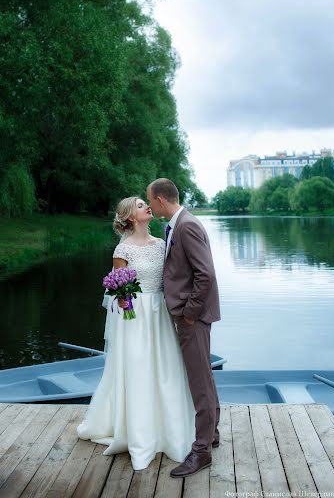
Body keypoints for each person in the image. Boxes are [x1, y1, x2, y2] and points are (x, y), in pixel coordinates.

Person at [76, 196, 196, 471]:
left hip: (160, 313)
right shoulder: (123, 249)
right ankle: (139, 433)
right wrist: (127, 308)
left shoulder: (162, 244)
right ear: (130, 216)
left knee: (165, 368)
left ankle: (170, 430)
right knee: (139, 368)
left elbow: (172, 277)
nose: (147, 207)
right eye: (141, 205)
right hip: (135, 316)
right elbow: (119, 290)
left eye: (147, 203)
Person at [146, 178, 221, 478]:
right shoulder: (177, 224)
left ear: (161, 200)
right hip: (192, 315)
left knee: (199, 382)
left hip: (194, 317)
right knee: (204, 377)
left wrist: (189, 314)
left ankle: (201, 451)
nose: (150, 206)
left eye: (150, 201)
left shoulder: (186, 225)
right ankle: (211, 434)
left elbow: (206, 274)